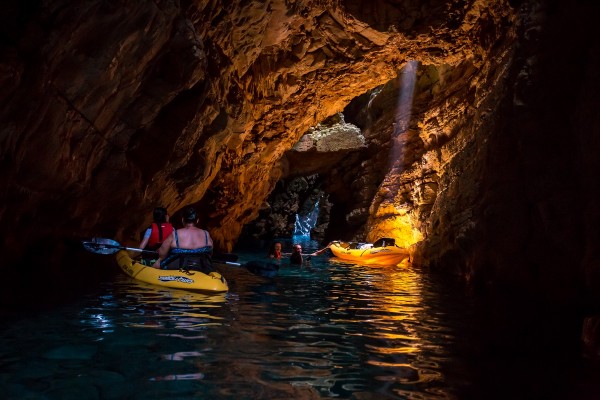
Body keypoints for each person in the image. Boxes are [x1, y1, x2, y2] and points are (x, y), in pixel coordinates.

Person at [153, 207, 214, 273]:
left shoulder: (175, 234)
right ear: (197, 220)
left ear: (182, 220)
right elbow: (210, 253)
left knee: (158, 262)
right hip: (201, 267)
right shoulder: (206, 234)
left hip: (177, 267)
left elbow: (162, 254)